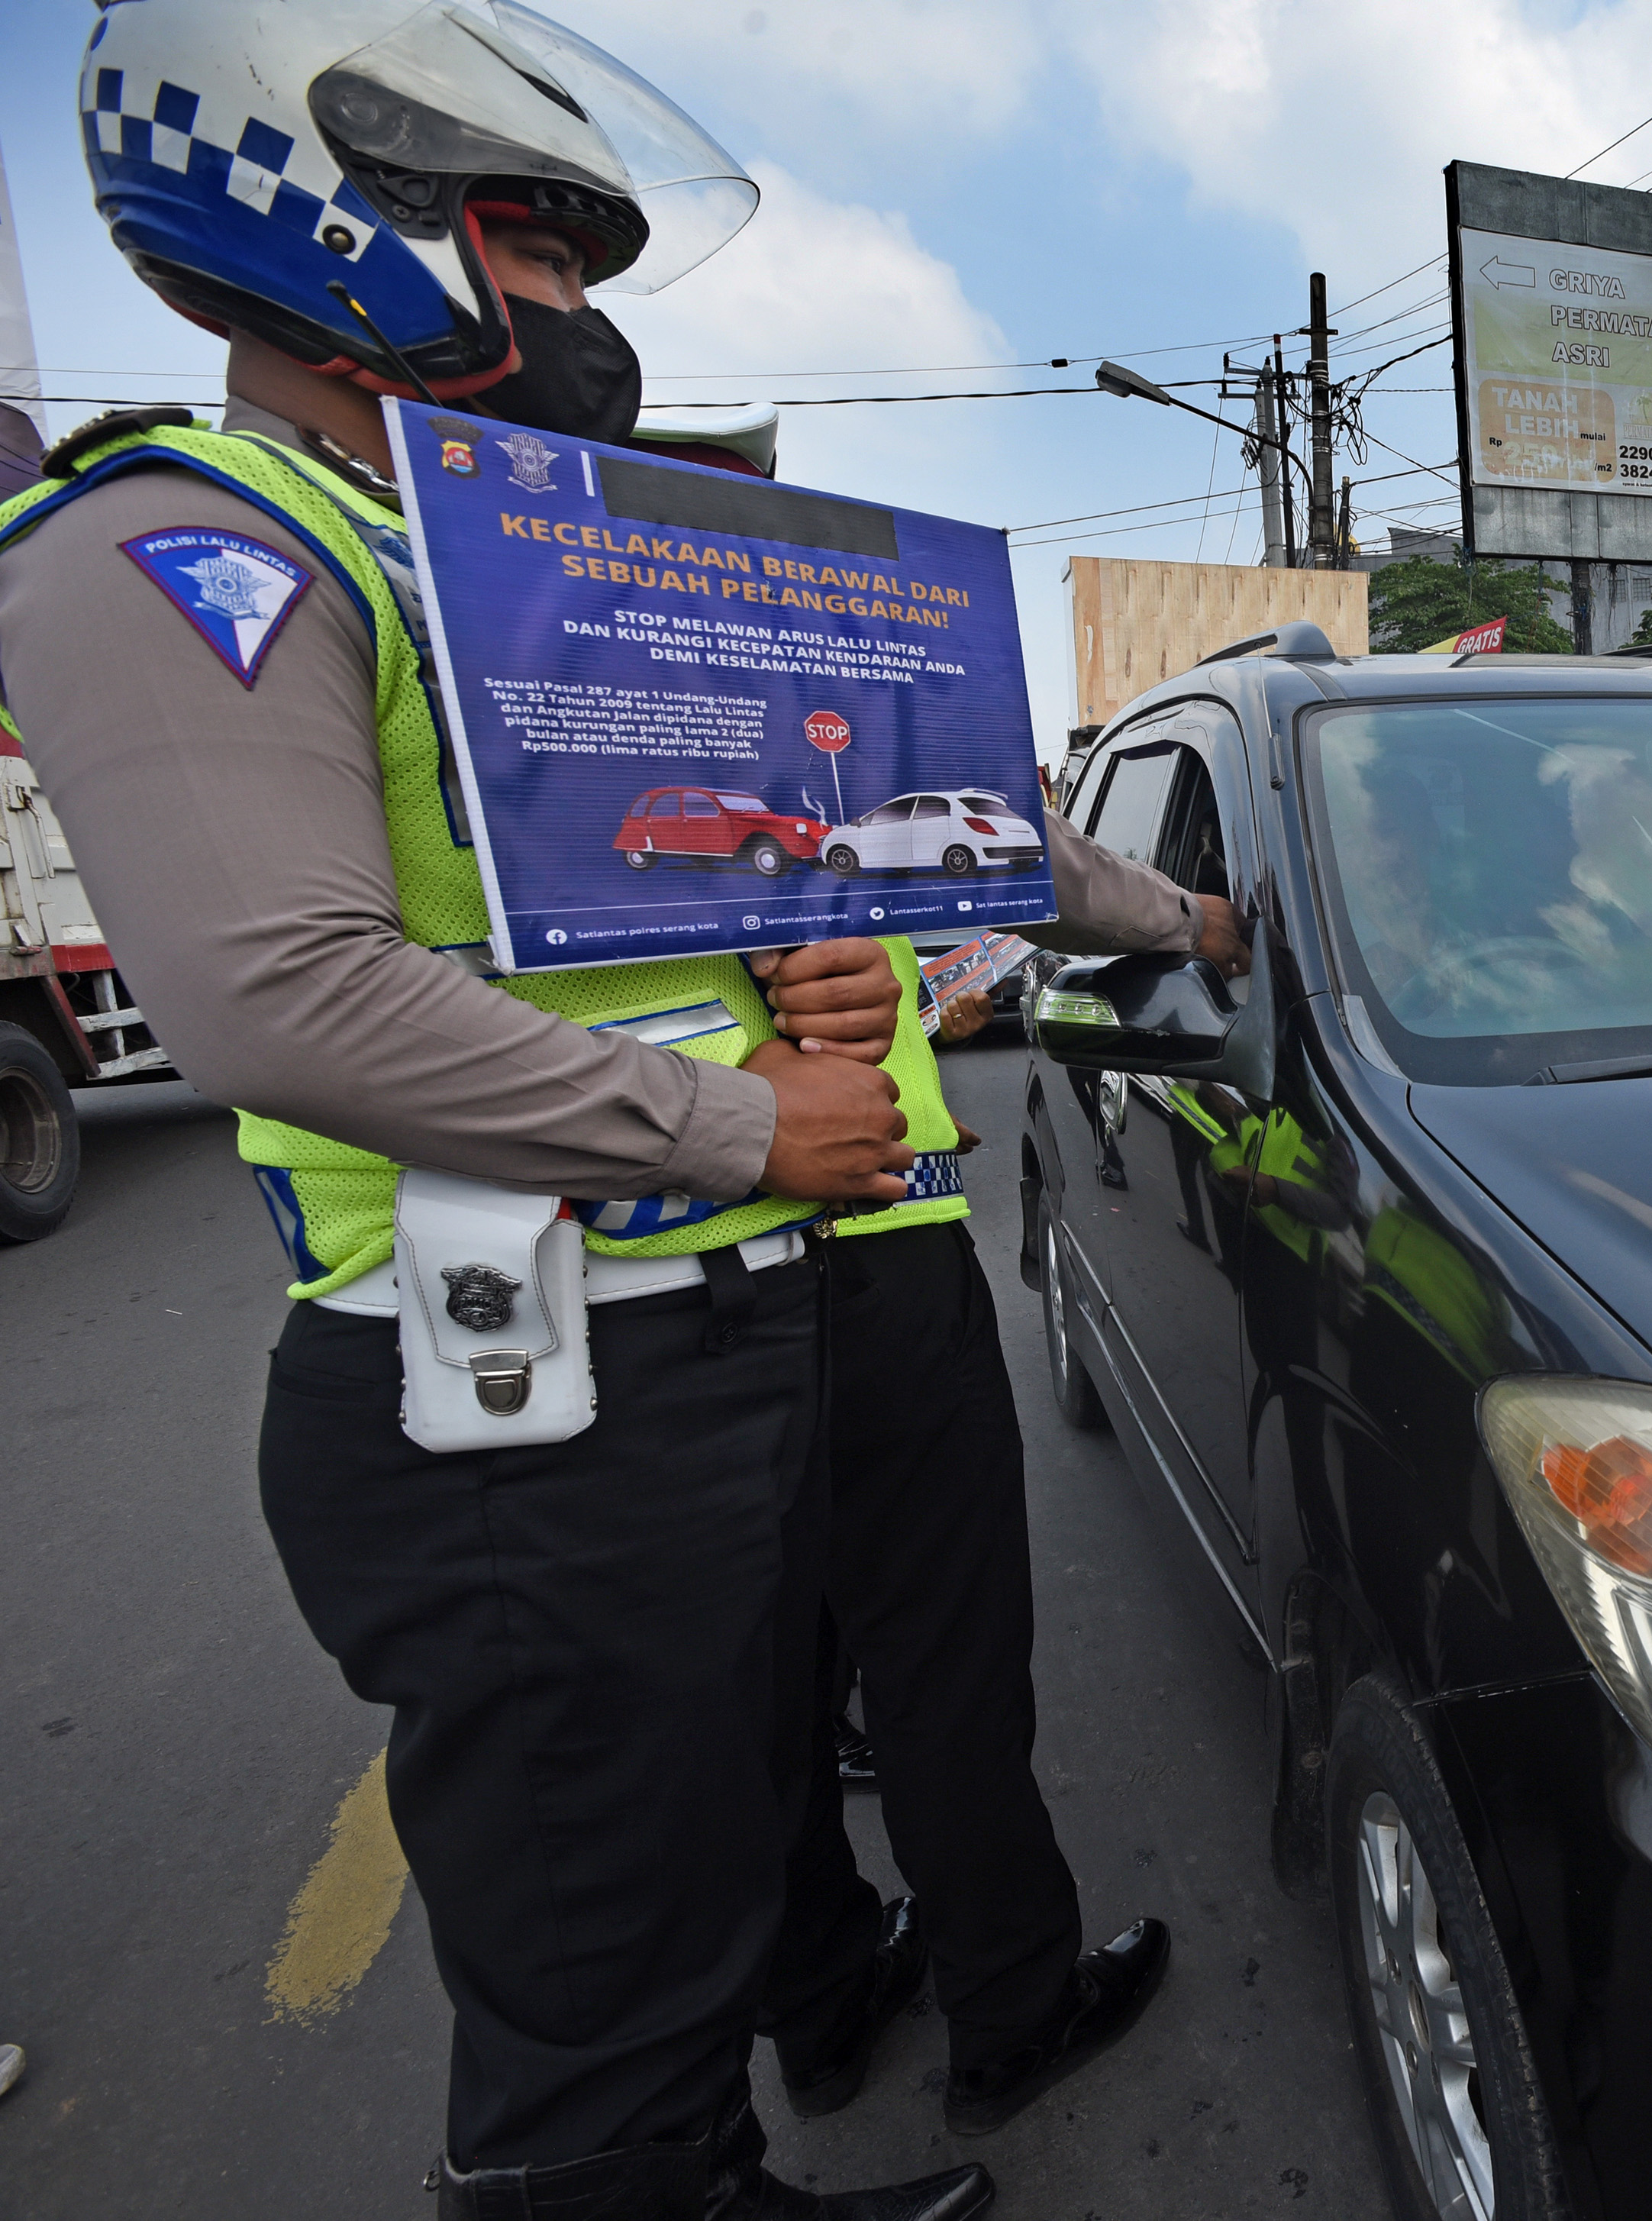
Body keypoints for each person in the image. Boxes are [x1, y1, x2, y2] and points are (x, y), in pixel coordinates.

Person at [0, 6, 976, 2213]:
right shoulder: (188, 536)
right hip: (518, 1401)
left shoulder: (489, 554)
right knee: (596, 1961)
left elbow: (597, 903)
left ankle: (714, 2157)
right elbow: (283, 995)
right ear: (342, 220)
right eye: (533, 252)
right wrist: (741, 1127)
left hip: (679, 1349)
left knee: (698, 1852)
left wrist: (798, 967)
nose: (572, 317)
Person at [621, 406, 1234, 2136]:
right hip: (869, 1247)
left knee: (768, 1680)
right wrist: (1202, 923)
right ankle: (1009, 2009)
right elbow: (1044, 876)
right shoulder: (845, 729)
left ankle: (817, 2007)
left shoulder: (556, 743)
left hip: (664, 1278)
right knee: (944, 1661)